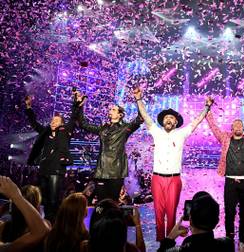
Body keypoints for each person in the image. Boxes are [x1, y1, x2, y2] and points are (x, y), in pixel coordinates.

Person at [133, 87, 212, 241]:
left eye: (171, 118)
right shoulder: (156, 131)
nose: (168, 119)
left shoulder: (182, 133)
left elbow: (197, 121)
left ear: (176, 122)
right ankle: (161, 241)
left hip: (174, 179)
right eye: (166, 118)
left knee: (171, 212)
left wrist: (207, 107)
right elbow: (145, 116)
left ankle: (169, 240)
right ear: (163, 121)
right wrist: (138, 99)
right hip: (157, 178)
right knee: (158, 211)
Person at [205, 95, 244, 247]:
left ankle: (242, 241)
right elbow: (213, 126)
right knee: (229, 214)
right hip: (230, 182)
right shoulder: (225, 138)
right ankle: (228, 240)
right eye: (235, 125)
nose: (238, 127)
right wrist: (208, 108)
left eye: (240, 125)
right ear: (231, 129)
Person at [75, 92, 143, 202]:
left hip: (116, 171)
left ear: (120, 115)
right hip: (101, 170)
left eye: (113, 110)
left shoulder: (125, 128)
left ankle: (112, 219)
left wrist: (138, 99)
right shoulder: (103, 128)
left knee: (112, 202)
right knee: (101, 202)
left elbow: (140, 118)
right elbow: (83, 124)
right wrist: (79, 105)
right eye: (110, 109)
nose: (110, 111)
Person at [25, 95, 78, 223]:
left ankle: (55, 223)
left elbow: (73, 118)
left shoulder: (65, 133)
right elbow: (34, 123)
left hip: (56, 170)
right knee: (46, 199)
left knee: (54, 200)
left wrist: (76, 102)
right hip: (44, 169)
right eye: (52, 120)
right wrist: (28, 107)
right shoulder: (46, 133)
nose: (53, 122)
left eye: (56, 121)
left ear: (62, 124)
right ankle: (48, 221)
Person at [158, 191, 234, 252]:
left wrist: (170, 238)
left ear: (190, 220)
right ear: (216, 221)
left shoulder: (180, 250)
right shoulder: (228, 244)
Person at [0, 176, 50, 252]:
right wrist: (15, 196)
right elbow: (41, 230)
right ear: (37, 207)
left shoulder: (4, 227)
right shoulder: (45, 227)